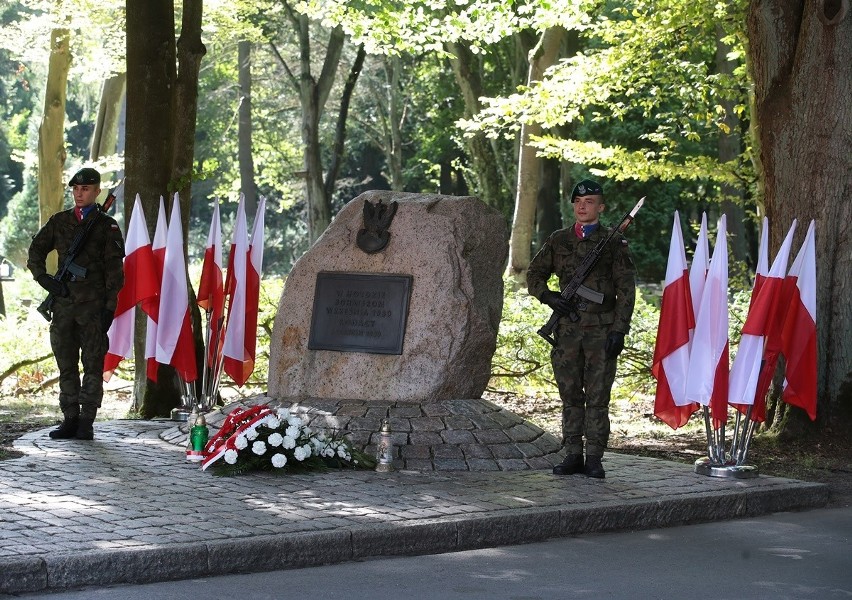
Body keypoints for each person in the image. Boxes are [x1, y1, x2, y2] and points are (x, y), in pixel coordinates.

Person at [527, 179, 636, 478]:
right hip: (568, 330)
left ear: (600, 207)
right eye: (578, 202)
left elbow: (626, 289)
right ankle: (573, 453)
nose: (582, 206)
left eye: (589, 202)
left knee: (598, 397)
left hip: (601, 331)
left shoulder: (614, 243)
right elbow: (535, 272)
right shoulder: (558, 240)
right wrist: (547, 296)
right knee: (571, 395)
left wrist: (619, 330)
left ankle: (595, 458)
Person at [27, 168, 125, 440]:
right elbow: (35, 251)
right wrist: (45, 280)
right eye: (76, 189)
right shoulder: (59, 222)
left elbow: (115, 272)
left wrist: (109, 308)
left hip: (93, 309)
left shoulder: (107, 226)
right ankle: (69, 417)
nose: (79, 193)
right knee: (66, 364)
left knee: (93, 364)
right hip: (63, 307)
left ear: (97, 191)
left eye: (86, 189)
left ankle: (86, 421)